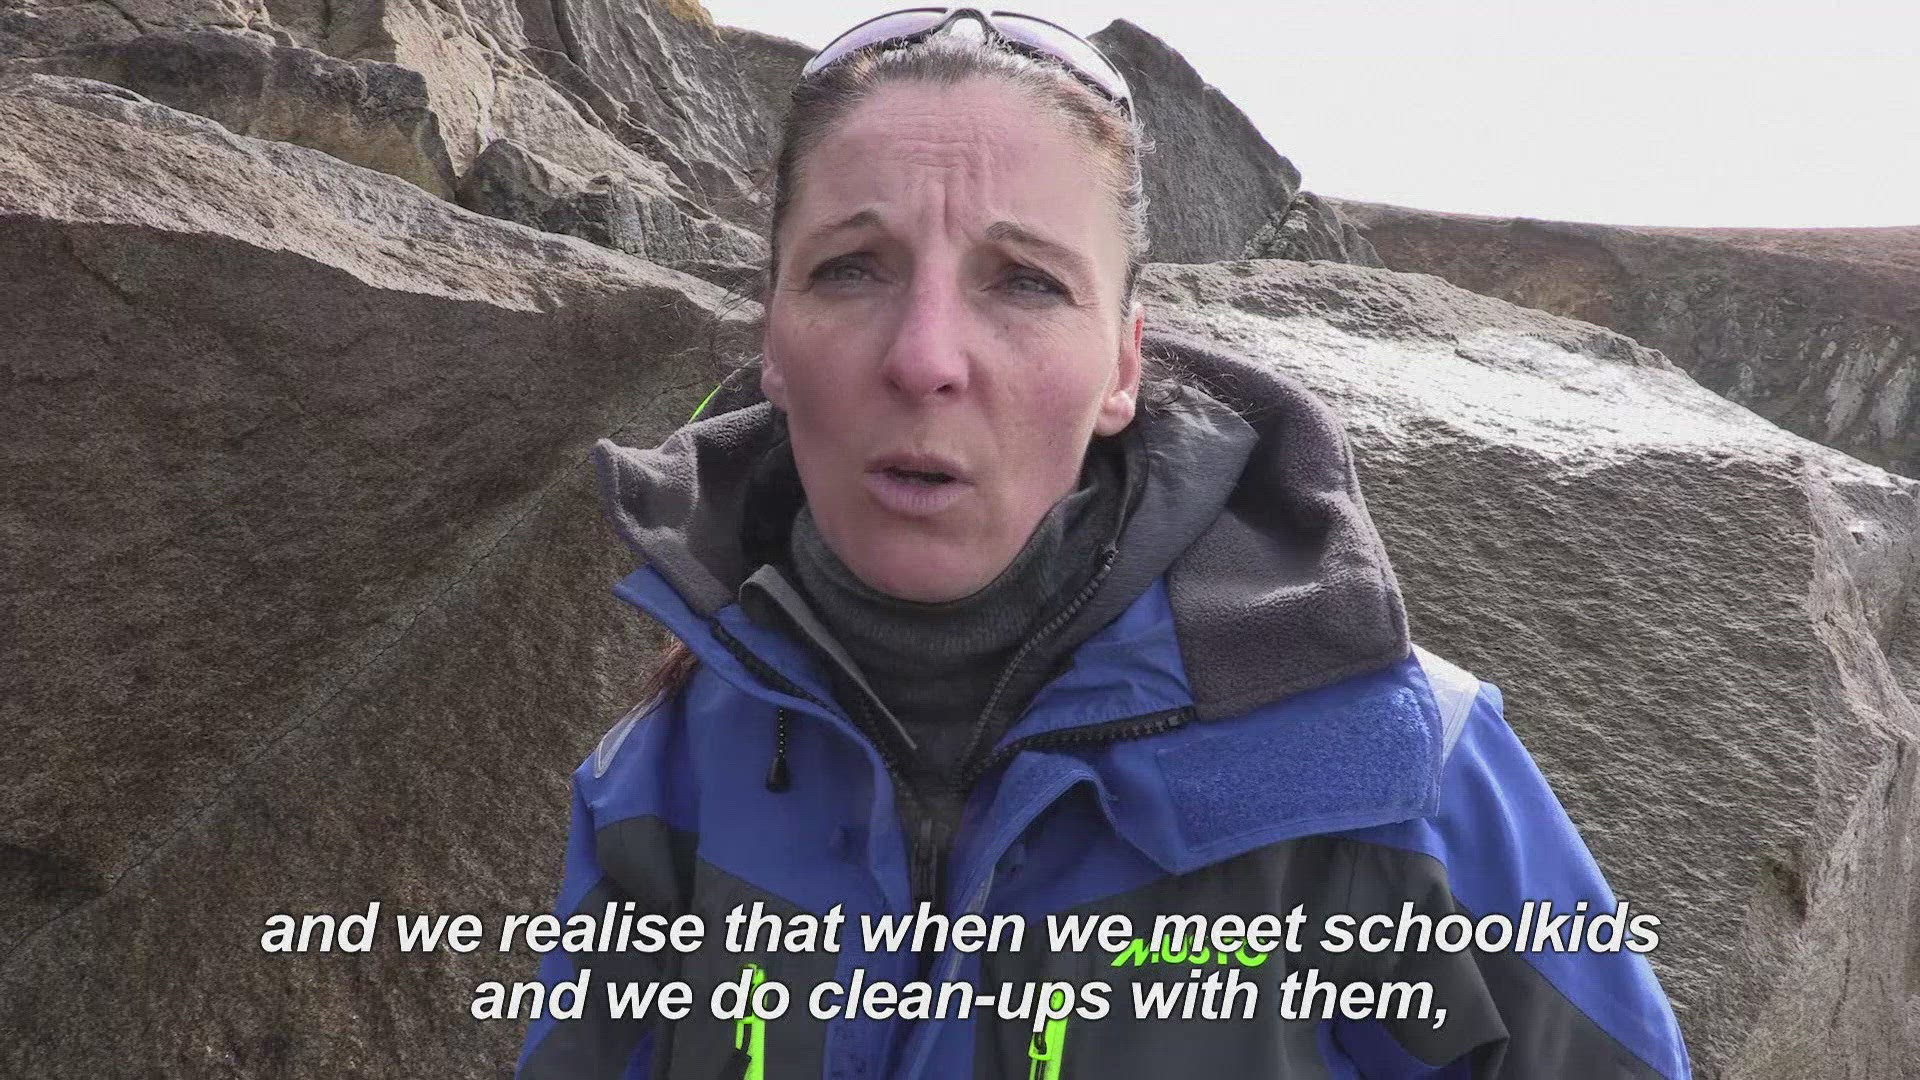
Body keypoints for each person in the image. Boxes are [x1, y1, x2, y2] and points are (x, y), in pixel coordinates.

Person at [515, 8, 1691, 1078]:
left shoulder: (1399, 769)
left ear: (1124, 366)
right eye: (851, 269)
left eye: (1025, 283)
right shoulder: (664, 776)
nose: (925, 357)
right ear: (773, 336)